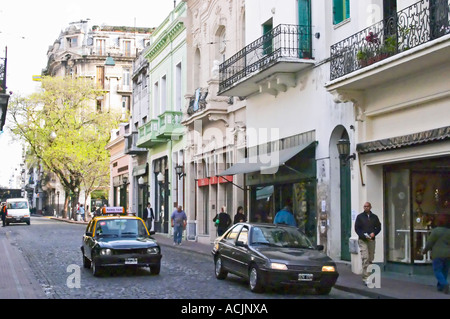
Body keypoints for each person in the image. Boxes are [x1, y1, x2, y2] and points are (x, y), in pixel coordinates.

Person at [354, 202, 381, 284]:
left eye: (367, 206)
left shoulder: (374, 217)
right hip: (363, 240)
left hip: (371, 240)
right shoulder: (360, 217)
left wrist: (374, 233)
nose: (366, 208)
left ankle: (368, 274)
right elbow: (357, 228)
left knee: (370, 258)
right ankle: (366, 278)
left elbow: (379, 227)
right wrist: (362, 235)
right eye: (364, 206)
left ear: (370, 207)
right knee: (365, 257)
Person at [423, 213, 450, 294]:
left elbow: (430, 242)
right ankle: (441, 286)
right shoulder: (449, 232)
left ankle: (444, 284)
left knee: (437, 270)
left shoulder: (435, 231)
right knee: (445, 271)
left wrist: (425, 250)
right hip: (448, 254)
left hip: (438, 254)